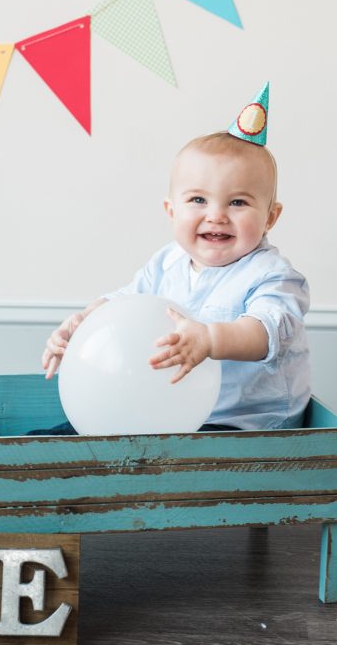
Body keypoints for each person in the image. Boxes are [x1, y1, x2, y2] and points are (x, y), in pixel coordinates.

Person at [41, 83, 311, 432]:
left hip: (243, 421)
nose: (216, 215)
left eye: (238, 202)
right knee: (60, 439)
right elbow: (126, 301)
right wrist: (81, 323)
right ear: (171, 211)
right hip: (167, 410)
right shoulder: (167, 262)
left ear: (270, 217)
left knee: (179, 458)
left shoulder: (272, 276)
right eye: (198, 200)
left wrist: (210, 340)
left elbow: (265, 331)